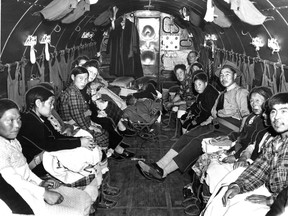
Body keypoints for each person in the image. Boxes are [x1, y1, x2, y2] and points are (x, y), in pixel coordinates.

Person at [138, 60, 250, 182]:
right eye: (222, 75)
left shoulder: (241, 93)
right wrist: (200, 125)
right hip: (214, 125)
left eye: (227, 74)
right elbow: (213, 115)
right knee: (187, 137)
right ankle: (159, 165)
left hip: (229, 130)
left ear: (234, 76)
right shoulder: (221, 94)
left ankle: (163, 173)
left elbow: (246, 117)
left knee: (196, 142)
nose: (223, 78)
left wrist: (240, 137)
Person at [0, 98, 92, 215]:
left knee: (84, 198)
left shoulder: (13, 141)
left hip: (33, 189)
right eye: (10, 120)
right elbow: (13, 181)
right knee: (76, 212)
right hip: (21, 200)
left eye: (19, 119)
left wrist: (40, 182)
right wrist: (44, 193)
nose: (17, 125)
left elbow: (25, 172)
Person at [205, 92, 288, 216]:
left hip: (282, 204)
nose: (276, 117)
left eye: (283, 111)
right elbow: (259, 169)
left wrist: (271, 200)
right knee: (227, 200)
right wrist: (238, 186)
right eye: (273, 111)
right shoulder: (275, 143)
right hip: (276, 196)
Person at [58, 66, 134, 159]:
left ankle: (115, 147)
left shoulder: (76, 89)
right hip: (73, 125)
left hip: (82, 119)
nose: (83, 81)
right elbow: (78, 116)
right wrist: (90, 125)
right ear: (73, 77)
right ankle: (113, 151)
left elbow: (82, 110)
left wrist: (91, 117)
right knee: (103, 128)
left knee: (107, 121)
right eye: (80, 78)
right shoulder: (73, 93)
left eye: (85, 79)